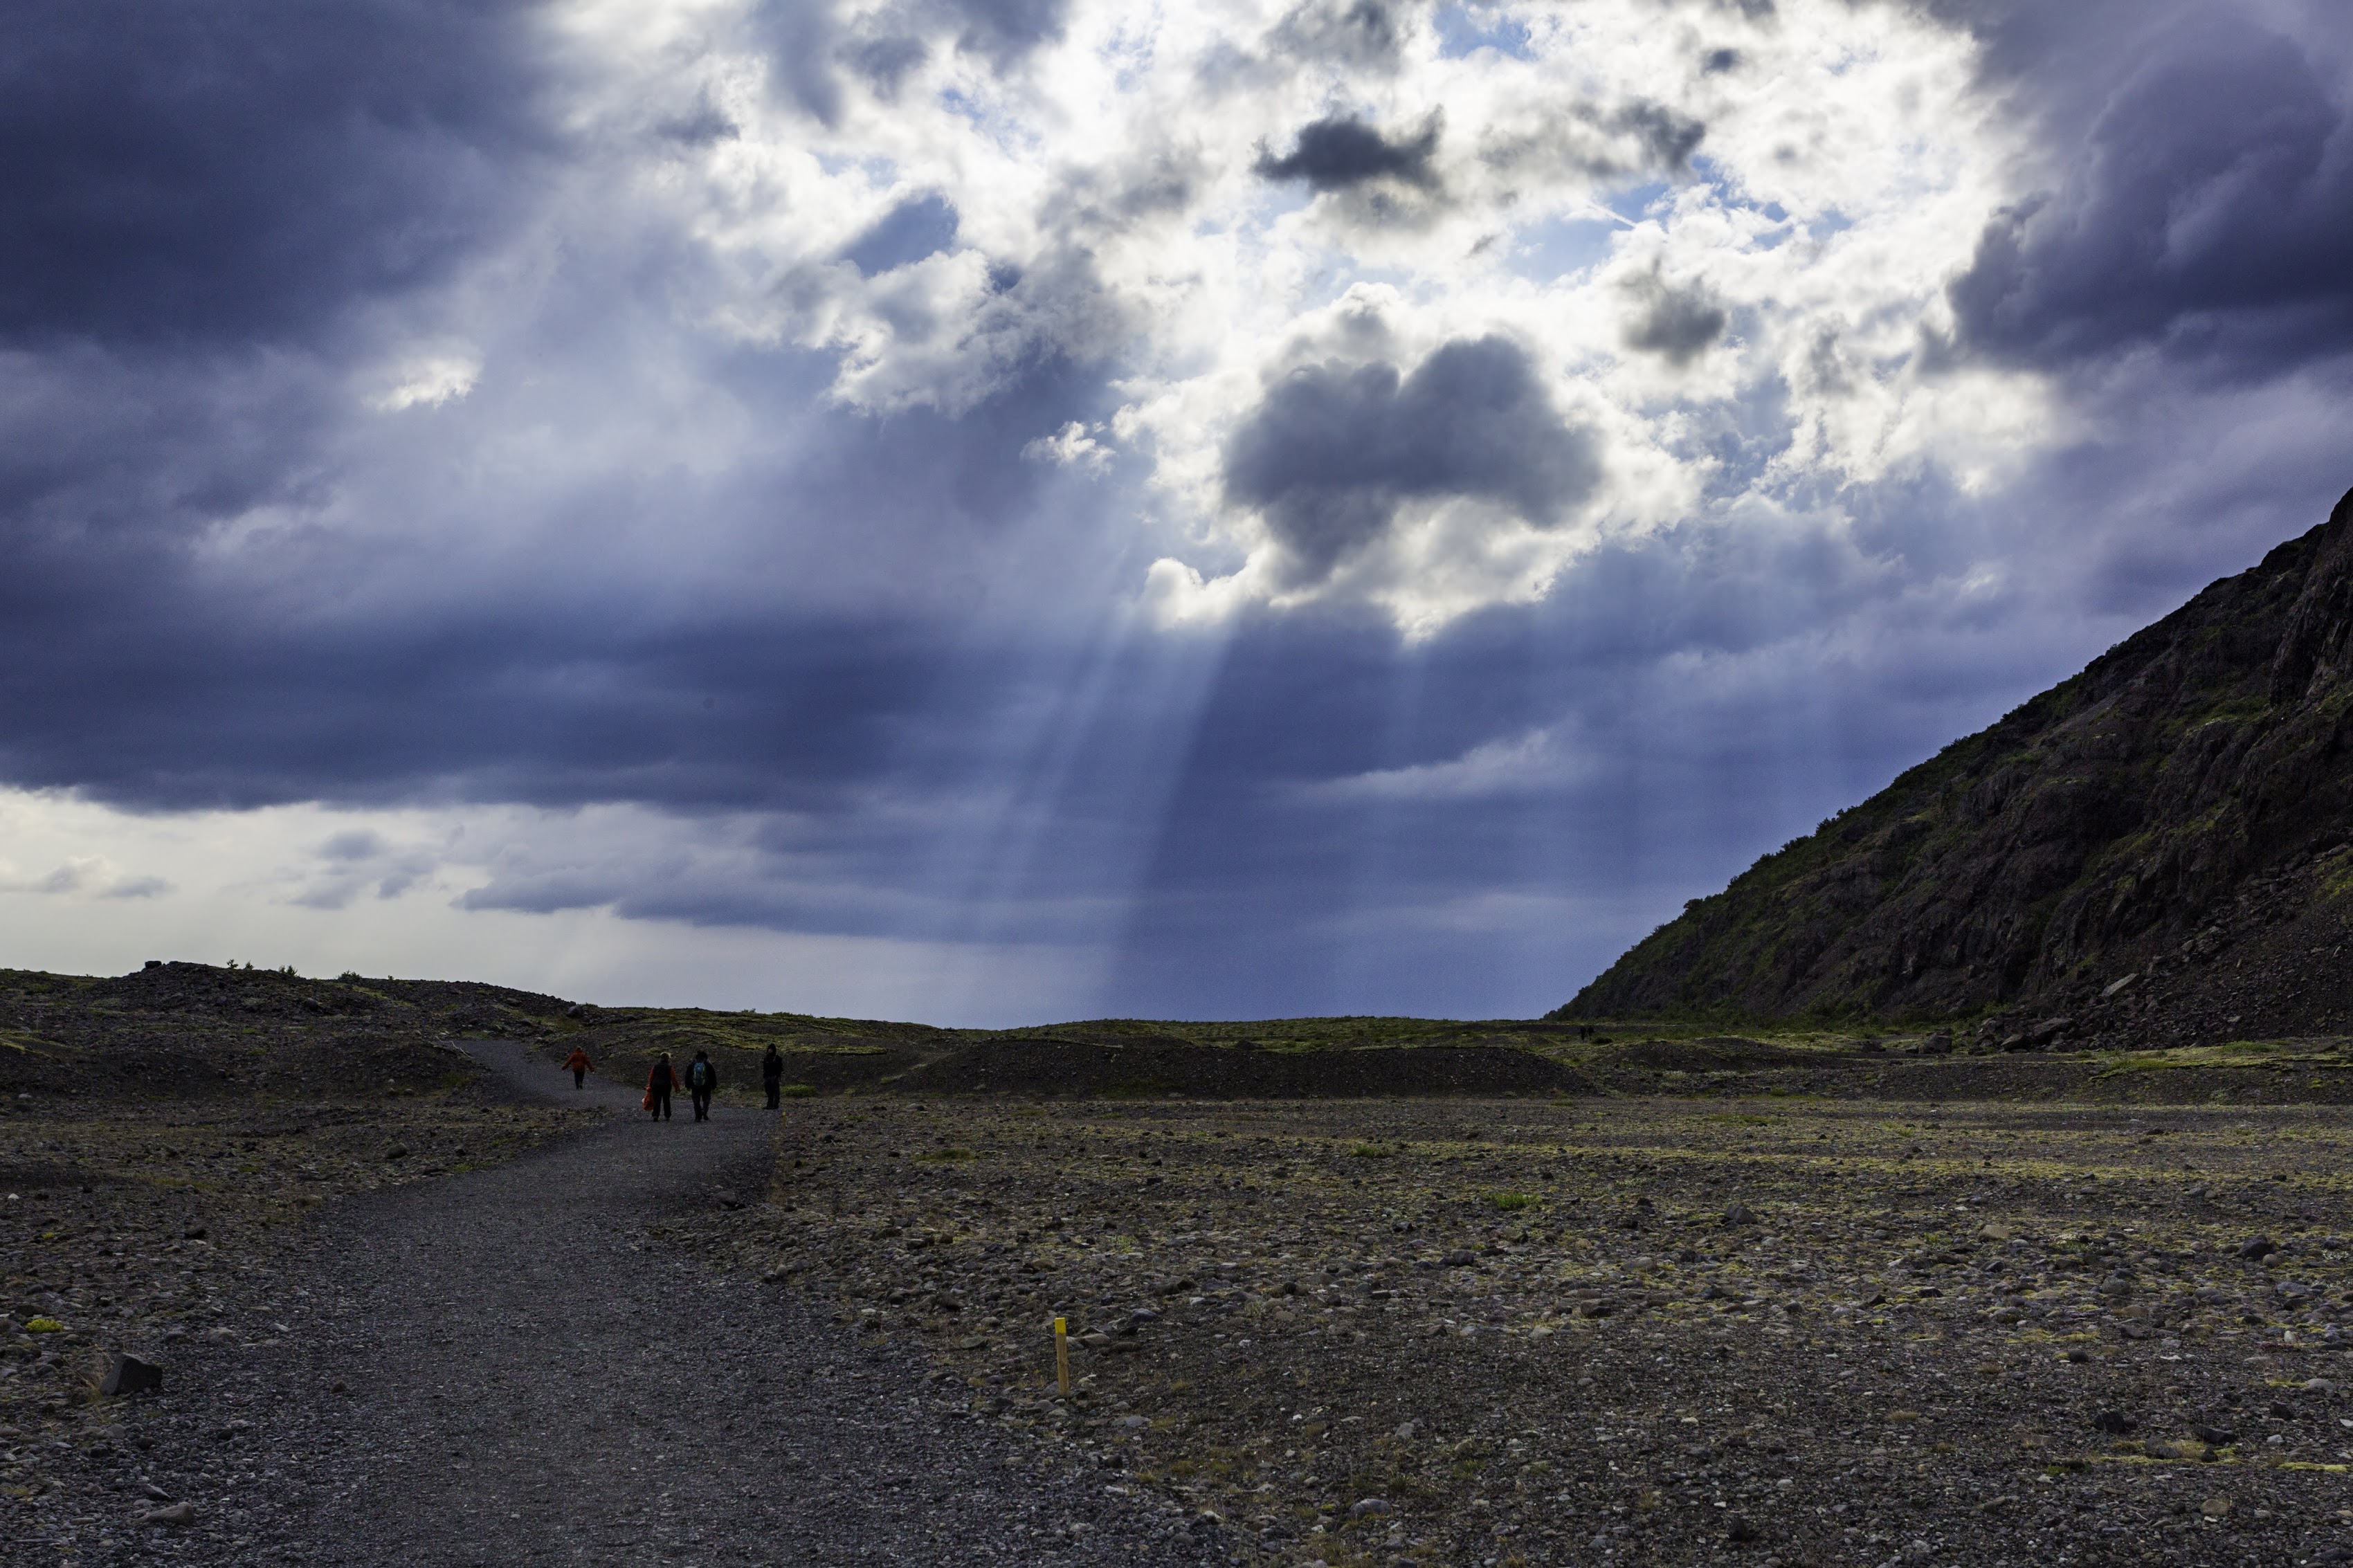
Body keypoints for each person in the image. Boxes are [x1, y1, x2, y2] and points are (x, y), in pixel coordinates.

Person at [686, 1050, 718, 1122]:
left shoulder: (693, 1064)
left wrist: (688, 1085)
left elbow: (688, 1075)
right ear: (706, 1057)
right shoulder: (708, 1064)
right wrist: (714, 1085)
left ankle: (698, 1117)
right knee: (707, 1099)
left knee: (696, 1101)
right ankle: (704, 1110)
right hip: (706, 1085)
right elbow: (713, 1076)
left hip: (695, 1085)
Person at [645, 1053, 676, 1122]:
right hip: (666, 1086)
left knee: (657, 1101)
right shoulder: (669, 1067)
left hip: (656, 1085)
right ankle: (667, 1115)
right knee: (666, 1101)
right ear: (668, 1058)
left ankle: (656, 1115)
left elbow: (651, 1076)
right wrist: (677, 1087)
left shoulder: (656, 1066)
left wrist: (649, 1085)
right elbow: (673, 1078)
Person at [761, 1043, 784, 1110]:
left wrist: (777, 1076)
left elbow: (780, 1068)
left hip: (774, 1077)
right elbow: (765, 1068)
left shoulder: (777, 1058)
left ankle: (775, 1105)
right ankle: (770, 1105)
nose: (770, 1050)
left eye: (771, 1049)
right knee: (769, 1092)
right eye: (769, 1049)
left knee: (776, 1092)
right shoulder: (766, 1058)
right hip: (767, 1077)